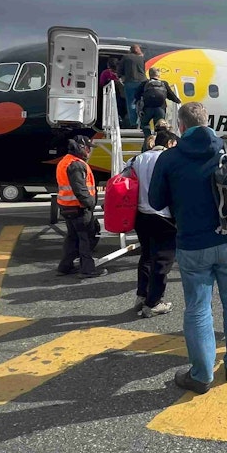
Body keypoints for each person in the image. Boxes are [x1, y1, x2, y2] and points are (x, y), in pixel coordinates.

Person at [149, 102, 227, 393]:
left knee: (198, 309)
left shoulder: (170, 158)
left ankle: (202, 376)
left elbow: (155, 202)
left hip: (192, 244)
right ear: (207, 121)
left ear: (180, 126)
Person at [123, 130, 178, 318]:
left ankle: (141, 295)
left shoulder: (137, 159)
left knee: (146, 255)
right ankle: (154, 302)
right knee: (163, 260)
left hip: (141, 215)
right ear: (170, 143)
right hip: (163, 216)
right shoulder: (168, 159)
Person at [55, 134, 107, 279]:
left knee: (72, 238)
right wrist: (90, 204)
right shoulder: (76, 164)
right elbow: (80, 189)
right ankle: (87, 269)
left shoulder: (65, 162)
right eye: (88, 148)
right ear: (81, 147)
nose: (89, 152)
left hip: (67, 207)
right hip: (78, 208)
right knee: (86, 238)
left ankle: (65, 267)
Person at [138, 73, 181, 139]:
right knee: (160, 127)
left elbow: (136, 95)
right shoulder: (164, 83)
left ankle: (148, 138)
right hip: (160, 109)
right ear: (158, 75)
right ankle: (158, 141)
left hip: (147, 108)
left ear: (149, 75)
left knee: (144, 124)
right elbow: (171, 95)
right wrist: (178, 101)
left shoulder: (145, 83)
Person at [117, 44, 147, 128]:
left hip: (130, 81)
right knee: (141, 101)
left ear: (130, 50)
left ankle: (134, 122)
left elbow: (120, 69)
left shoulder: (126, 57)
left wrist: (120, 76)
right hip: (142, 81)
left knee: (131, 102)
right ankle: (142, 121)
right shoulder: (142, 58)